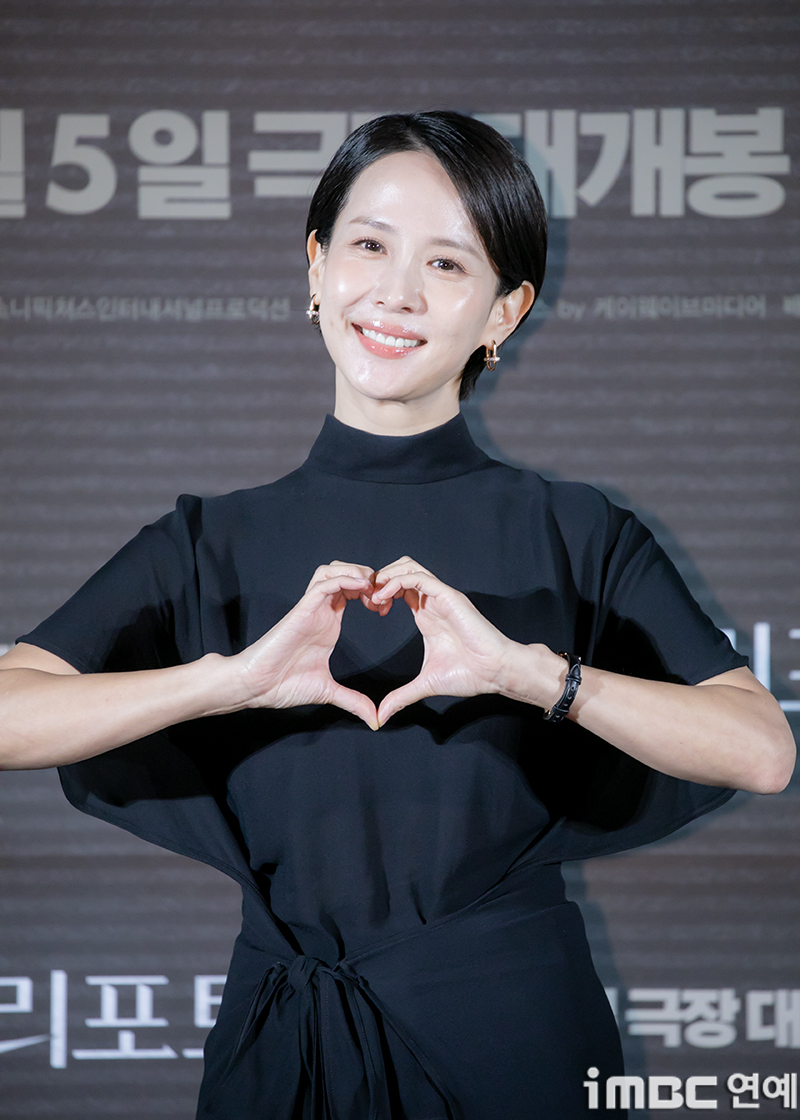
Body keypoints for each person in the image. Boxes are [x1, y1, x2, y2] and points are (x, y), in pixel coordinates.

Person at [0, 112, 794, 1120]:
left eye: (447, 264)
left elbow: (760, 750)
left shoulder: (577, 532)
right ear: (316, 265)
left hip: (511, 1038)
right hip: (282, 1041)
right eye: (369, 245)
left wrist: (528, 674)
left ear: (504, 312)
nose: (396, 293)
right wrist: (229, 681)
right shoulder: (207, 543)